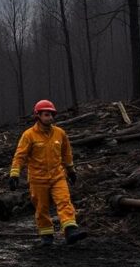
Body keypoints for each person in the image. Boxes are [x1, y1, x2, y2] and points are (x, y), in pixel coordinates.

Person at [9, 99, 87, 246]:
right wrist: (14, 174)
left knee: (64, 201)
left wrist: (71, 171)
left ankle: (70, 230)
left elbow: (67, 154)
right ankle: (46, 236)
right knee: (41, 208)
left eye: (51, 114)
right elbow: (20, 155)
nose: (50, 117)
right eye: (46, 114)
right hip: (38, 179)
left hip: (58, 176)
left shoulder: (60, 133)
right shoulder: (29, 135)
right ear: (38, 115)